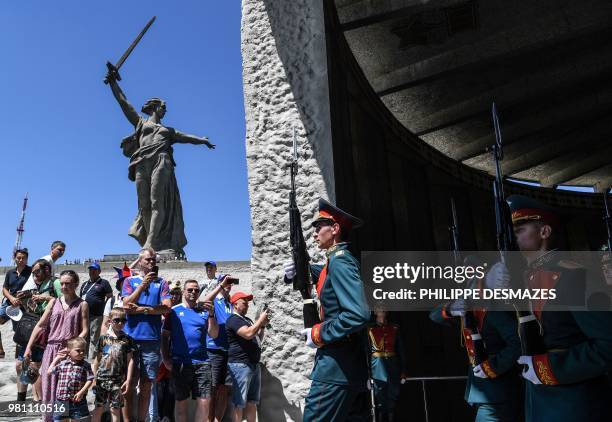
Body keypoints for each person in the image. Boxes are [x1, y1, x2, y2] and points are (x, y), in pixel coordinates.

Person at [506, 195, 612, 421]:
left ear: (544, 232)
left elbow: (608, 344)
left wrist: (551, 368)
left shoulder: (574, 276)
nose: (513, 239)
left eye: (519, 231)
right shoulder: (526, 278)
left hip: (575, 404)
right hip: (540, 402)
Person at [104, 68, 215, 256]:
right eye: (164, 107)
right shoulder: (141, 123)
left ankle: (150, 243)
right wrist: (114, 83)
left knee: (157, 202)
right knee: (144, 205)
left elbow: (186, 137)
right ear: (156, 107)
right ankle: (150, 239)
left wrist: (202, 140)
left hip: (161, 161)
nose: (165, 110)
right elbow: (124, 103)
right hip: (141, 162)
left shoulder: (168, 131)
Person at [284, 198, 371, 421]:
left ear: (335, 229)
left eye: (318, 227)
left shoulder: (340, 262)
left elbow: (358, 314)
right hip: (348, 368)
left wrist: (318, 333)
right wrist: (300, 269)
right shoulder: (334, 261)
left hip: (335, 368)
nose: (314, 233)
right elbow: (325, 275)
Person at [429, 264, 523, 422]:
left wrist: (492, 367)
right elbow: (433, 315)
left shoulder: (494, 310)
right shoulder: (468, 310)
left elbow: (518, 343)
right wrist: (451, 309)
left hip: (498, 389)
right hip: (483, 390)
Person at [25, 269, 89, 422]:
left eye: (68, 283)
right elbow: (40, 325)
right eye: (62, 283)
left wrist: (72, 347)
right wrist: (28, 347)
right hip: (51, 349)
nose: (64, 286)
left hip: (70, 352)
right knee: (48, 386)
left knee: (65, 387)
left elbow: (85, 329)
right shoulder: (54, 302)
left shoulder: (82, 304)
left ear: (76, 284)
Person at [161, 279, 225, 422]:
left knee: (205, 401)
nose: (193, 292)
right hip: (180, 363)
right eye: (190, 289)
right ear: (184, 292)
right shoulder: (174, 311)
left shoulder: (205, 311)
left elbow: (214, 334)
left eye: (196, 290)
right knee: (181, 403)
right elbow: (165, 336)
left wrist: (211, 315)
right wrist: (165, 359)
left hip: (202, 363)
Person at [121, 247, 172, 422]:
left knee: (147, 384)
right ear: (140, 261)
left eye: (153, 260)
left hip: (151, 340)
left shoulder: (162, 283)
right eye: (148, 260)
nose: (151, 263)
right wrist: (142, 286)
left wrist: (144, 309)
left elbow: (167, 307)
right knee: (129, 384)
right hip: (131, 339)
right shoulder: (129, 281)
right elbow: (126, 305)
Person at [17, 258, 58, 401]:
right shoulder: (39, 286)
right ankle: (32, 399)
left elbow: (63, 301)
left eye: (37, 271)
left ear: (47, 270)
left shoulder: (55, 283)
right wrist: (26, 299)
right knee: (28, 365)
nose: (34, 275)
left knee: (36, 366)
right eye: (33, 272)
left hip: (47, 331)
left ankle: (41, 401)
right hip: (36, 329)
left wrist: (45, 298)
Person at [225, 292, 268, 422]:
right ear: (235, 304)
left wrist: (263, 325)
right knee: (239, 402)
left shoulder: (247, 320)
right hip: (240, 365)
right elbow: (248, 334)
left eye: (248, 303)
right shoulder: (233, 319)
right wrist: (260, 319)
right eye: (244, 302)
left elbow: (257, 338)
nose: (247, 305)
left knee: (252, 401)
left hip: (253, 364)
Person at [92, 308, 136, 422]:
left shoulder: (127, 339)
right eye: (117, 320)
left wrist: (128, 379)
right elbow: (97, 360)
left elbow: (130, 360)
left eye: (123, 320)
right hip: (101, 379)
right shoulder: (103, 339)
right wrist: (93, 378)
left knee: (115, 409)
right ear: (110, 321)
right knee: (98, 408)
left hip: (117, 381)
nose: (120, 323)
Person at [204, 274, 234, 422]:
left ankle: (217, 420)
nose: (228, 284)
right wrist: (221, 285)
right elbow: (205, 301)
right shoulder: (215, 301)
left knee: (224, 389)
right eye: (225, 281)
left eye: (230, 282)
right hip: (214, 349)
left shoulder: (231, 303)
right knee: (213, 388)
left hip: (229, 350)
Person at [367, 310, 407, 422]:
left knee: (393, 395)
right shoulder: (369, 328)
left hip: (393, 365)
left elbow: (401, 351)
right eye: (379, 307)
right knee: (379, 398)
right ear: (374, 311)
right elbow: (366, 352)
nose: (382, 309)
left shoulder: (394, 328)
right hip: (377, 366)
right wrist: (368, 375)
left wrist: (403, 371)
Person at [47, 336, 94, 421]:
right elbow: (49, 371)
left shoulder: (85, 365)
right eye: (78, 350)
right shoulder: (63, 364)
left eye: (83, 350)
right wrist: (57, 358)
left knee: (77, 419)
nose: (81, 353)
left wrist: (81, 392)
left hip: (77, 400)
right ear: (69, 351)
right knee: (59, 419)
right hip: (61, 400)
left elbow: (90, 379)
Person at [1, 248, 31, 365]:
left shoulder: (31, 272)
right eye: (18, 257)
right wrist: (11, 298)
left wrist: (24, 297)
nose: (21, 260)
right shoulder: (10, 273)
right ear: (15, 258)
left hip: (23, 307)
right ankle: (1, 351)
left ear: (27, 259)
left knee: (19, 334)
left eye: (23, 258)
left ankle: (17, 359)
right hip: (9, 304)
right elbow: (5, 289)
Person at [80, 262, 113, 358]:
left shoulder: (104, 283)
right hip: (84, 316)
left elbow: (110, 297)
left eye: (94, 270)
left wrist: (105, 310)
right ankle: (83, 358)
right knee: (84, 337)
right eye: (90, 270)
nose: (92, 272)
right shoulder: (85, 284)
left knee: (94, 338)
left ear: (99, 271)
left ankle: (92, 360)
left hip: (96, 316)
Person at [101, 264, 132, 336]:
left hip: (130, 338)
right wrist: (103, 340)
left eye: (129, 282)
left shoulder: (138, 299)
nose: (127, 284)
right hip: (113, 338)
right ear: (119, 284)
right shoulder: (112, 300)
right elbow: (105, 323)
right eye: (124, 282)